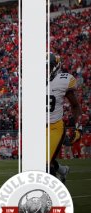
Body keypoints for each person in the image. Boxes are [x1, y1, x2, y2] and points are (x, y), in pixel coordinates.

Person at [47, 53, 82, 183]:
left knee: (45, 164)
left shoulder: (63, 80)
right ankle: (62, 170)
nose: (45, 70)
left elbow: (75, 106)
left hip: (54, 127)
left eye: (47, 67)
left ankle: (57, 193)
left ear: (55, 66)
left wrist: (78, 128)